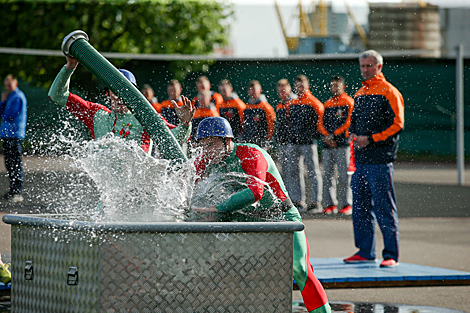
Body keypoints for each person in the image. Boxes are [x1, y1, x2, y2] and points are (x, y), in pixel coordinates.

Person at [192, 117, 331, 313]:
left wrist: (219, 208)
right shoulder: (209, 160)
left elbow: (255, 192)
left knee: (300, 270)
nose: (207, 150)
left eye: (212, 143)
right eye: (203, 145)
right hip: (246, 220)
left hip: (282, 219)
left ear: (228, 140)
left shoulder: (250, 153)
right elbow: (188, 186)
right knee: (233, 271)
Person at [48, 56, 194, 155]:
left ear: (135, 95)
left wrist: (185, 123)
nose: (121, 97)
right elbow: (58, 95)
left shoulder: (145, 116)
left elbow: (176, 138)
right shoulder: (96, 114)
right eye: (116, 91)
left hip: (140, 193)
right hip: (109, 195)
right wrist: (70, 67)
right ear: (107, 94)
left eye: (127, 92)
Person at [343, 50, 404, 268]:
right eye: (362, 66)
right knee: (359, 208)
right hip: (360, 161)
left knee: (384, 208)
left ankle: (391, 255)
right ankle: (365, 251)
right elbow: (355, 120)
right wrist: (352, 133)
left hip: (380, 159)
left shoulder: (389, 91)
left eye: (369, 66)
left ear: (379, 67)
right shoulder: (359, 93)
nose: (365, 70)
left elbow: (397, 124)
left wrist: (371, 139)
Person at [285, 74, 325, 212]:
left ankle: (316, 202)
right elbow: (289, 123)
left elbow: (320, 124)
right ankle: (298, 201)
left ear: (307, 86)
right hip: (294, 143)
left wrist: (313, 136)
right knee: (294, 172)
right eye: (297, 86)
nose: (299, 88)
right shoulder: (292, 103)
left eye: (302, 85)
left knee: (313, 171)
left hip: (308, 143)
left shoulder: (315, 103)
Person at [319, 75, 354, 215]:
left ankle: (347, 204)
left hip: (343, 145)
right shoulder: (327, 104)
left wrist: (334, 135)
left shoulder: (349, 102)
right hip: (328, 146)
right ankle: (330, 204)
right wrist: (326, 136)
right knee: (327, 175)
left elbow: (349, 122)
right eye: (332, 85)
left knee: (345, 176)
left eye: (337, 85)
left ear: (343, 87)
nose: (334, 88)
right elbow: (320, 123)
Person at [0, 74, 27, 202]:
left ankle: (17, 192)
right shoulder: (10, 96)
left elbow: (8, 116)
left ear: (15, 84)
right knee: (9, 164)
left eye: (9, 85)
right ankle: (13, 190)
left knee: (15, 163)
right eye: (6, 85)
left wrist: (3, 102)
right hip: (7, 135)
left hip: (14, 135)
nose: (7, 88)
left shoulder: (17, 97)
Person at [239, 80, 276, 150]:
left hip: (261, 142)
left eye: (255, 90)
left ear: (260, 91)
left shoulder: (266, 107)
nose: (253, 92)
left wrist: (268, 140)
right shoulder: (246, 107)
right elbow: (242, 124)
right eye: (251, 90)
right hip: (248, 140)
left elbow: (271, 125)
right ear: (248, 91)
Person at [274, 78, 297, 179]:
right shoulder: (280, 105)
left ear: (289, 89)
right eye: (279, 91)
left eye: (283, 90)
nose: (281, 93)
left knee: (294, 171)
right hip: (283, 141)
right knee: (284, 171)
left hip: (293, 141)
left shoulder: (295, 102)